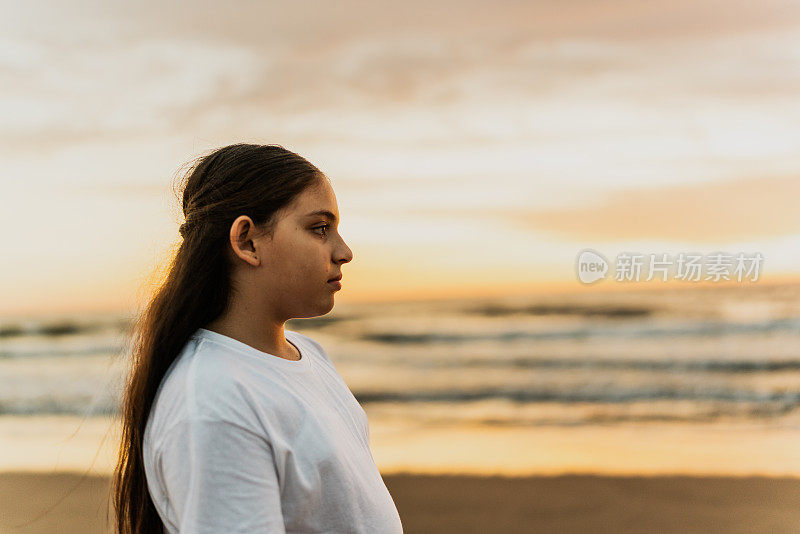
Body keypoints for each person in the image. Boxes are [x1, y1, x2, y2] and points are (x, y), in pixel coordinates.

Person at [112, 143, 404, 533]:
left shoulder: (307, 354)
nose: (343, 251)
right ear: (247, 241)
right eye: (320, 229)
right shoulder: (214, 401)